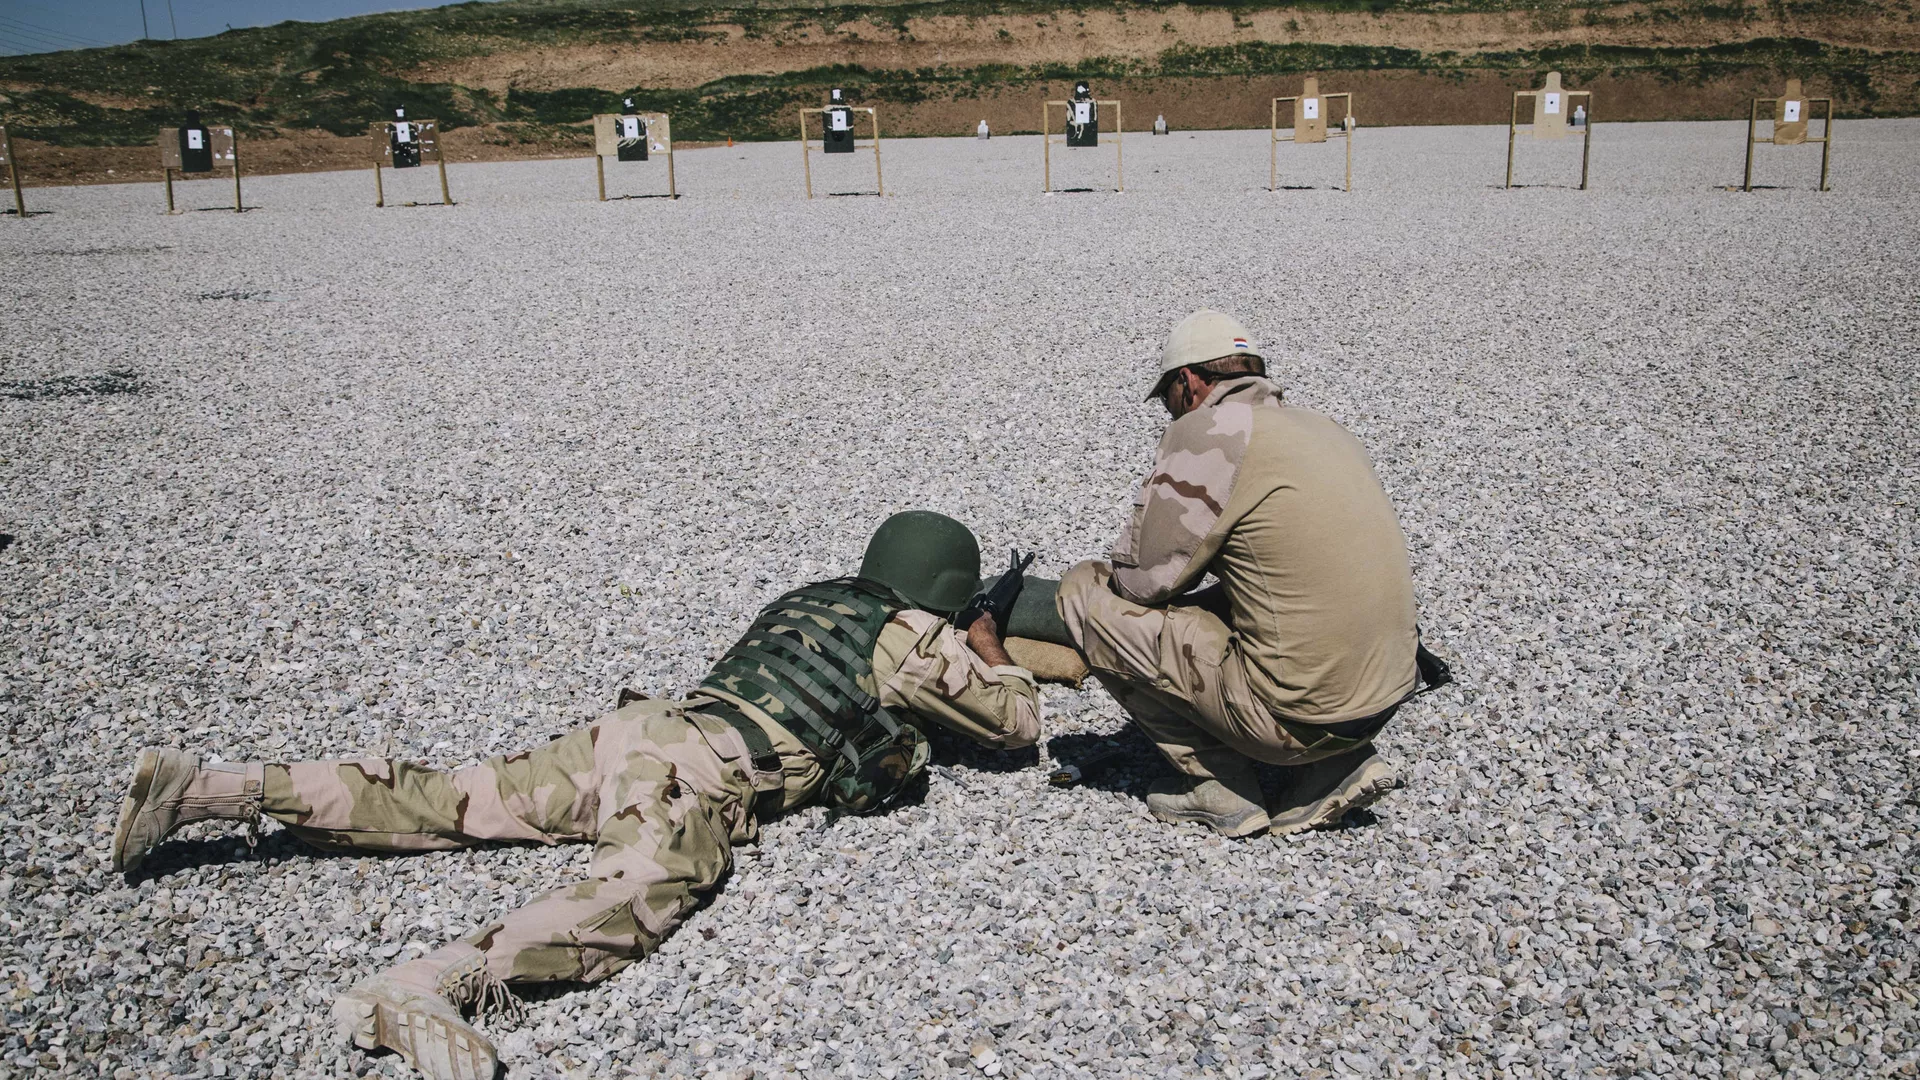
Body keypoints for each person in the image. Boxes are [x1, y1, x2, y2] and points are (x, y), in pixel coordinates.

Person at [111, 511, 1041, 1080]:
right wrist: (992, 649)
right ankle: (430, 987)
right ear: (949, 591)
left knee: (450, 798)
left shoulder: (815, 595)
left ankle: (210, 788)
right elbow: (1012, 727)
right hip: (699, 772)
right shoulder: (913, 637)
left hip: (634, 729)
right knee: (636, 891)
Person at [1057, 309, 1438, 838]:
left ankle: (1219, 785)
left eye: (1167, 399)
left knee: (1085, 590)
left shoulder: (1209, 429)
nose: (1169, 414)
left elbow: (1145, 582)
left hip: (1295, 719)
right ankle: (1330, 767)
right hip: (1383, 699)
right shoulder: (1323, 426)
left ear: (1189, 383)